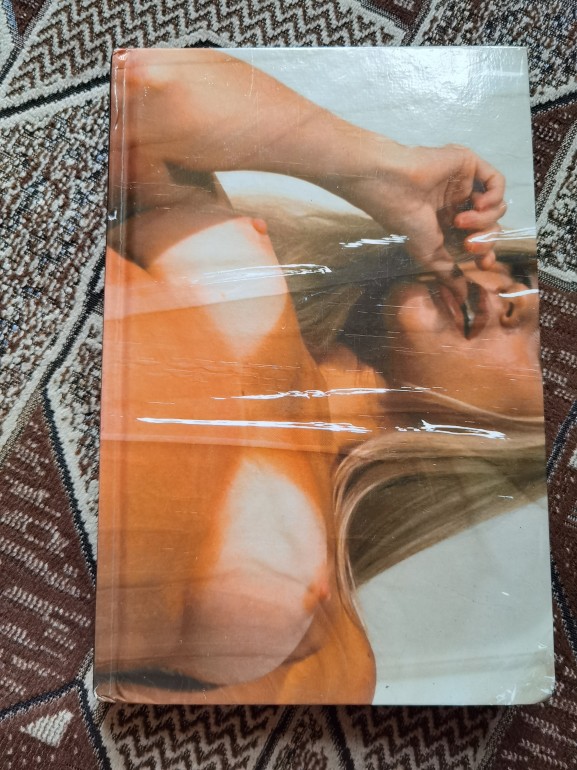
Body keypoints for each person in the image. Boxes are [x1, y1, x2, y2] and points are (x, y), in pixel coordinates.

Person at [95, 50, 543, 704]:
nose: (513, 299)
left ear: (539, 436)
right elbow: (143, 91)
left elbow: (90, 707)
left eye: (545, 340)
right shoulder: (253, 263)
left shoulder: (332, 649)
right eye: (524, 278)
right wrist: (385, 173)